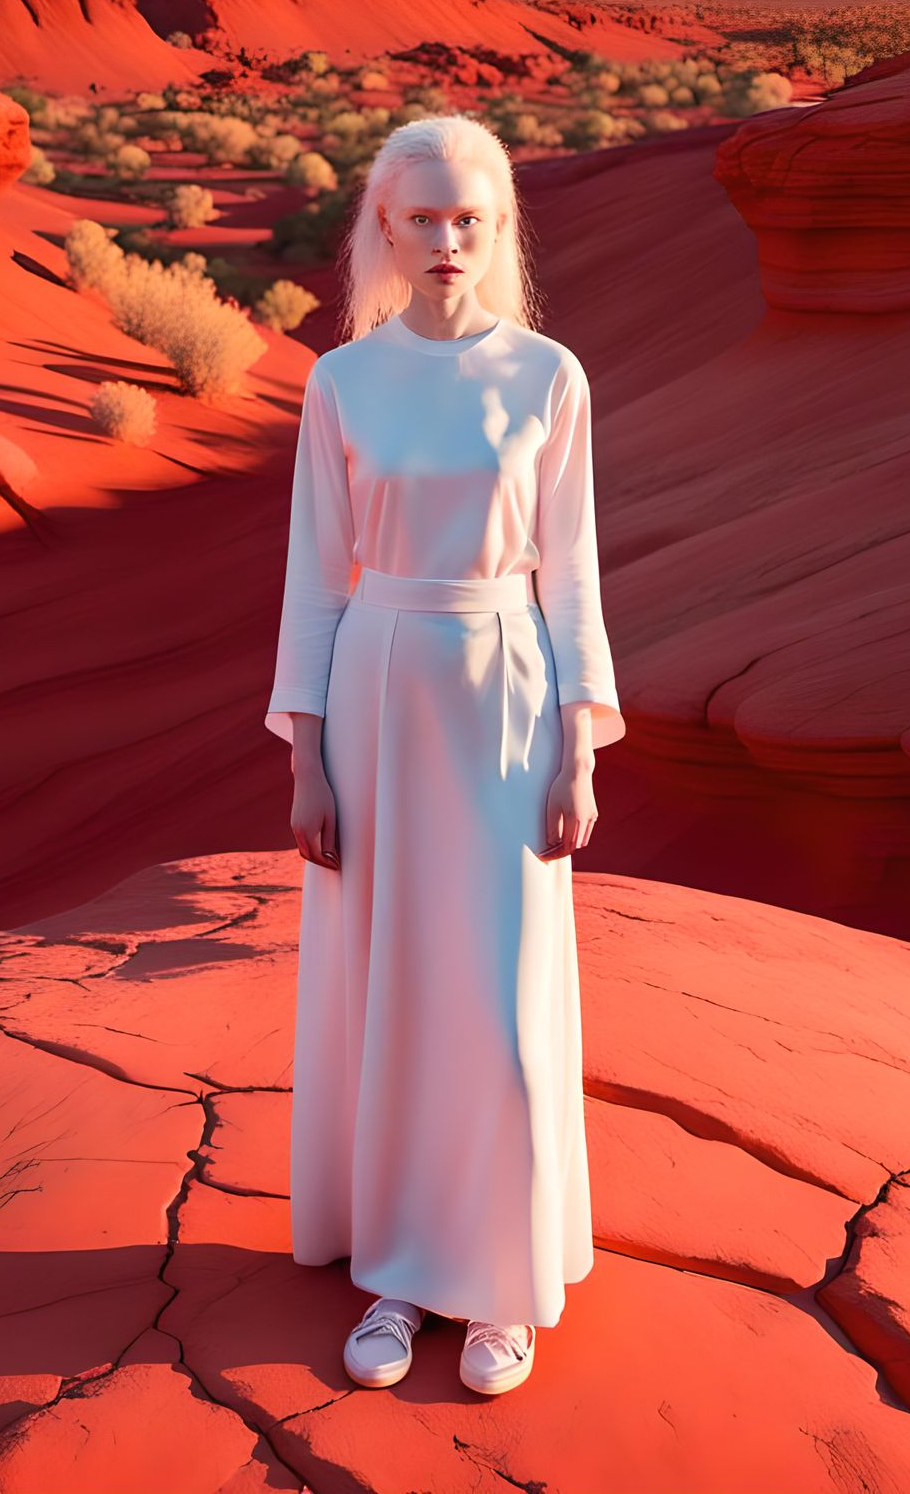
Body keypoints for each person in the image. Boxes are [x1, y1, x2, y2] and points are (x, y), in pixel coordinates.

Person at [264, 113, 625, 1397]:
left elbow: (573, 575)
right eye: (421, 219)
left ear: (500, 230)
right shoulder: (342, 381)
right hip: (372, 687)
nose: (446, 242)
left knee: (501, 990)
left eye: (471, 219)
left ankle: (500, 1287)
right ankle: (402, 1275)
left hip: (507, 690)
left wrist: (581, 749)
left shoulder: (549, 377)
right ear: (382, 226)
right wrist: (303, 759)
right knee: (392, 985)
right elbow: (316, 575)